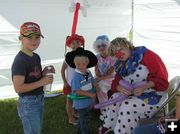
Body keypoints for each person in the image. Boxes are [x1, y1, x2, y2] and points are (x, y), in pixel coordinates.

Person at [99, 37, 169, 134]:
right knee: (115, 98)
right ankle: (108, 127)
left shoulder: (147, 55)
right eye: (115, 53)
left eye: (120, 49)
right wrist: (119, 88)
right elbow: (115, 82)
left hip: (155, 95)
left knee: (127, 105)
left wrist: (144, 87)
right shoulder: (121, 63)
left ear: (128, 45)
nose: (119, 54)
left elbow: (163, 81)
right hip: (134, 94)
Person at [11, 22, 55, 134]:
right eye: (30, 37)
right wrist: (42, 82)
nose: (34, 41)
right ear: (21, 38)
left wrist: (44, 72)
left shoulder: (35, 56)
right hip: (28, 103)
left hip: (38, 99)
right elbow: (18, 88)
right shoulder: (20, 61)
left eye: (37, 37)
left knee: (36, 130)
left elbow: (33, 76)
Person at [65, 47, 99, 134]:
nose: (80, 66)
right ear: (74, 64)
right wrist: (91, 95)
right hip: (81, 103)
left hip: (88, 101)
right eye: (78, 64)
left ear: (87, 63)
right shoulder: (76, 77)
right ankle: (86, 132)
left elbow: (92, 80)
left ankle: (80, 130)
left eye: (83, 64)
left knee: (82, 117)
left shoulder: (88, 72)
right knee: (85, 119)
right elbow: (77, 91)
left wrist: (96, 86)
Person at [61, 34, 85, 125]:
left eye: (77, 43)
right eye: (73, 43)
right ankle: (70, 118)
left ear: (81, 44)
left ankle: (74, 113)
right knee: (70, 100)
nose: (75, 45)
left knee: (78, 98)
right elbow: (62, 70)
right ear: (69, 45)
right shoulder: (68, 58)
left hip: (80, 83)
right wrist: (64, 82)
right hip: (71, 84)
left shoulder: (83, 57)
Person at [93, 35, 115, 120]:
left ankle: (105, 111)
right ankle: (93, 107)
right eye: (99, 46)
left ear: (108, 45)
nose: (101, 48)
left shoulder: (112, 57)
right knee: (90, 83)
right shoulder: (97, 56)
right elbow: (96, 70)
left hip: (111, 77)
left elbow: (110, 73)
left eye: (104, 45)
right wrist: (97, 76)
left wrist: (99, 79)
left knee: (101, 86)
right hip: (101, 77)